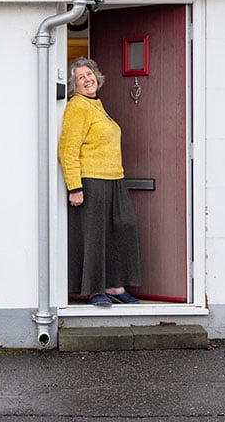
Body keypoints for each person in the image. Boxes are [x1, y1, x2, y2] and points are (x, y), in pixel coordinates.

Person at [58, 56, 142, 307]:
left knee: (120, 230)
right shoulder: (78, 106)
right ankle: (95, 290)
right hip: (92, 180)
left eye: (89, 74)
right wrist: (75, 186)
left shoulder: (97, 105)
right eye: (80, 78)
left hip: (114, 178)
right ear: (74, 85)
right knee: (94, 236)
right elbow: (67, 149)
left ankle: (114, 285)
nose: (87, 79)